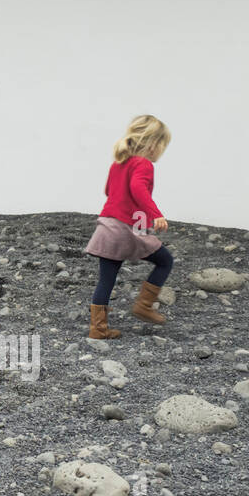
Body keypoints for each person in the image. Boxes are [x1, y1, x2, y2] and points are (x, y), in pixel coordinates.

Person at [84, 114, 175, 340]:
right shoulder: (143, 164)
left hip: (106, 226)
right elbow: (137, 187)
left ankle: (98, 329)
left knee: (106, 279)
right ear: (153, 145)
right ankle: (144, 306)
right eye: (162, 146)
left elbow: (108, 190)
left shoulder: (119, 163)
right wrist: (156, 215)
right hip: (126, 228)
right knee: (165, 261)